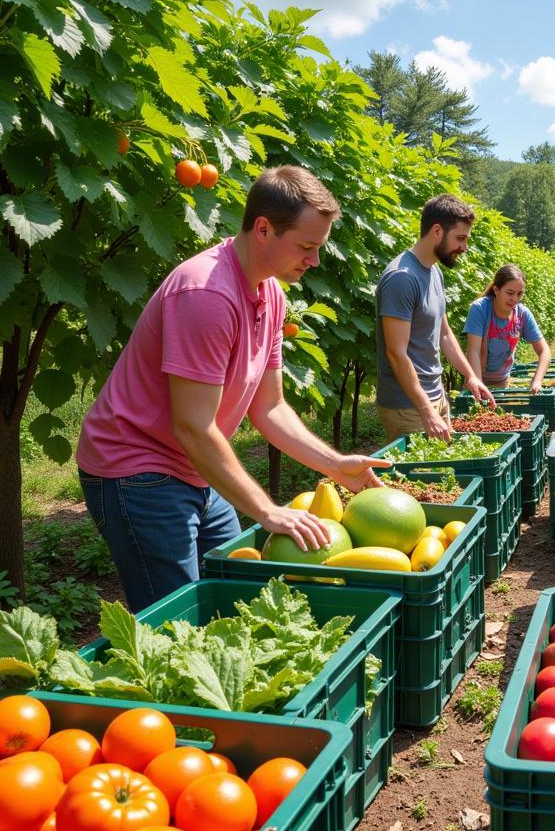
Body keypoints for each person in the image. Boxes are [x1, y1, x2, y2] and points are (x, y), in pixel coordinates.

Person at [76, 165, 390, 612]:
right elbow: (193, 426)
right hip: (136, 469)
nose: (315, 261)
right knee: (179, 620)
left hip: (195, 467)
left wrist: (335, 464)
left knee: (236, 594)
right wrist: (266, 510)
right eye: (306, 246)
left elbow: (271, 406)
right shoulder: (206, 295)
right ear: (263, 228)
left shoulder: (272, 294)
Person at [375, 194, 495, 443]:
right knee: (418, 480)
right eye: (460, 238)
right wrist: (427, 411)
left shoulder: (434, 272)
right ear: (437, 231)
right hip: (408, 406)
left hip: (435, 396)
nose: (464, 247)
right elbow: (396, 353)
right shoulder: (402, 278)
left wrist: (470, 375)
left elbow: (444, 333)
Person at [463, 264, 552, 393]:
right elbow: (474, 351)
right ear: (496, 290)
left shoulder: (522, 314)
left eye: (520, 294)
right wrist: (478, 385)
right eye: (510, 293)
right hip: (476, 383)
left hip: (503, 384)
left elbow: (545, 351)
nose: (515, 299)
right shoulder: (480, 309)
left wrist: (537, 381)